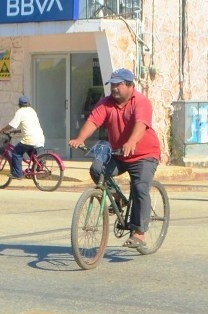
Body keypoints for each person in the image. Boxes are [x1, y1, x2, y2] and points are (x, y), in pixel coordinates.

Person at [69, 68, 161, 249]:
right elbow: (93, 121)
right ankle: (117, 197)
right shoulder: (106, 103)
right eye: (112, 84)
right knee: (97, 169)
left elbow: (141, 124)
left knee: (140, 186)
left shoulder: (141, 102)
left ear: (129, 85)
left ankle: (139, 233)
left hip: (144, 155)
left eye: (118, 84)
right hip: (119, 153)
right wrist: (80, 138)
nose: (114, 88)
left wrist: (132, 141)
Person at [0, 95, 45, 179]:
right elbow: (30, 126)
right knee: (31, 151)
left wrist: (2, 129)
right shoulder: (32, 111)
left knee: (16, 152)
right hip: (40, 138)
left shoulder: (20, 112)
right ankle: (39, 164)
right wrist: (18, 131)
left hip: (30, 139)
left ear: (19, 104)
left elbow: (11, 125)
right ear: (28, 104)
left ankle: (17, 174)